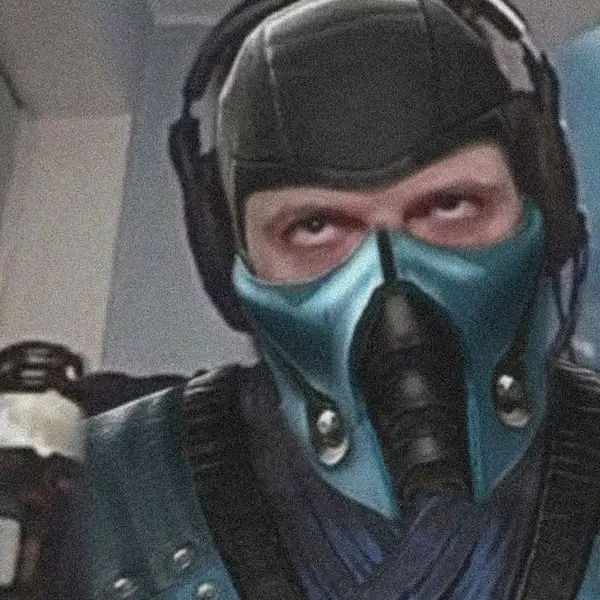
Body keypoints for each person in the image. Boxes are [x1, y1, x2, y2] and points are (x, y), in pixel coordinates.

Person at [80, 0, 600, 599]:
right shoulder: (87, 496)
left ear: (547, 209)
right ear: (226, 255)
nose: (391, 291)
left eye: (450, 204)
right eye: (315, 226)